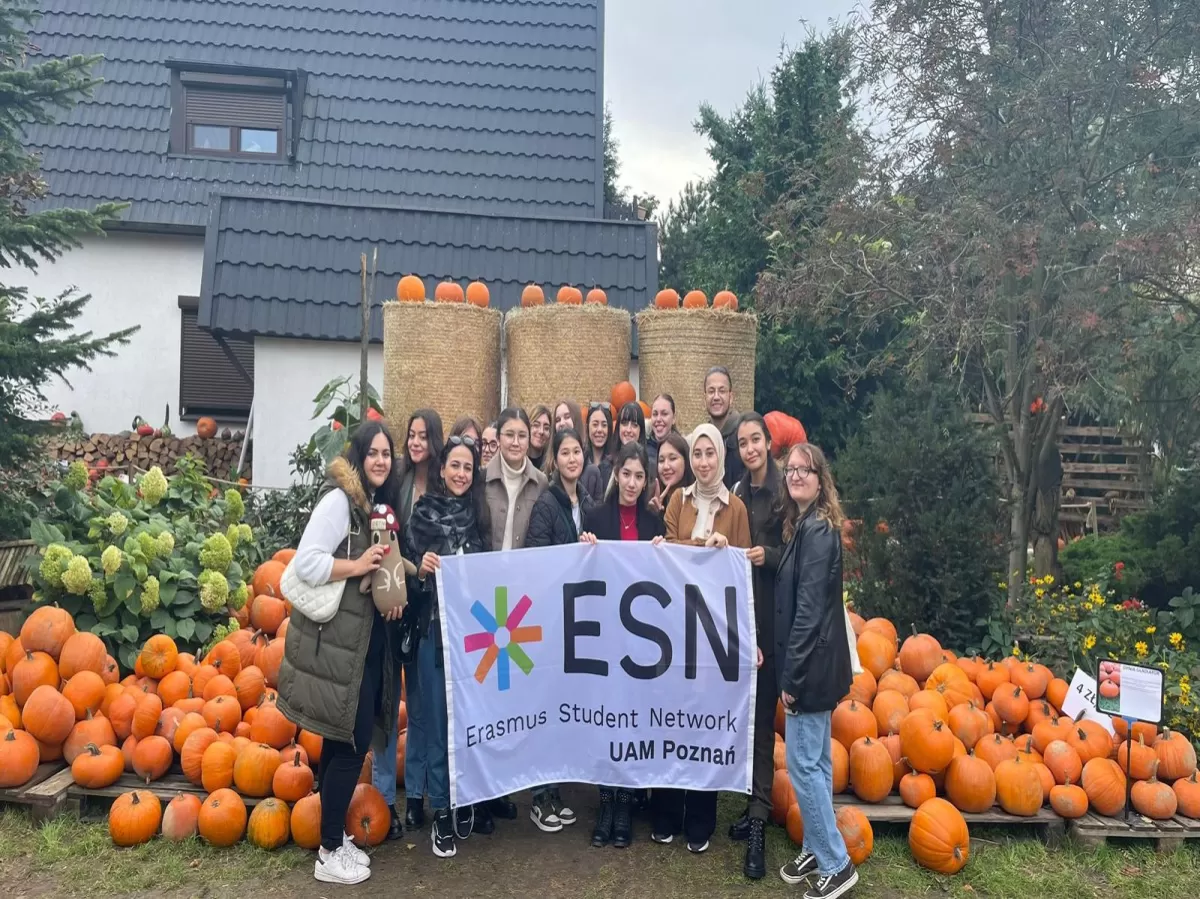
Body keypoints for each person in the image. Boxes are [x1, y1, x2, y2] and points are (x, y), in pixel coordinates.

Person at [277, 421, 404, 885]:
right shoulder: (337, 502)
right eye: (372, 452)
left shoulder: (369, 508)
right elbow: (307, 561)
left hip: (361, 643)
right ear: (357, 456)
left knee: (339, 739)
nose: (380, 460)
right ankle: (330, 851)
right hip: (338, 647)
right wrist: (358, 566)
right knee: (350, 743)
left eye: (386, 454)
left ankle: (332, 835)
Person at [652, 423, 751, 854]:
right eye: (698, 454)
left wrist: (726, 550)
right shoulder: (678, 499)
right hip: (676, 630)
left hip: (714, 635)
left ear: (721, 458)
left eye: (710, 454)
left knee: (705, 722)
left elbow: (743, 569)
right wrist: (663, 546)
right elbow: (670, 554)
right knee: (672, 718)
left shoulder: (738, 509)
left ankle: (701, 818)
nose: (704, 462)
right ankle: (668, 811)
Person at [775, 443, 857, 897]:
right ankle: (816, 843)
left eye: (805, 469)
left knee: (803, 767)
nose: (795, 475)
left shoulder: (819, 533)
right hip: (820, 664)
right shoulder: (806, 525)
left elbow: (807, 611)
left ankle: (836, 863)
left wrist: (791, 677)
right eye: (790, 470)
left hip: (810, 667)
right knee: (820, 764)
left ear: (820, 477)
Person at [406, 434, 493, 858]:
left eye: (468, 468)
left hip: (474, 639)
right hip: (434, 635)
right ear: (441, 469)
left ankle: (465, 797)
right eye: (454, 465)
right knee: (440, 724)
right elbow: (405, 581)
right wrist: (421, 572)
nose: (461, 474)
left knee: (469, 720)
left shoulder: (478, 517)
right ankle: (440, 808)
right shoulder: (421, 516)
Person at [579, 441, 664, 849]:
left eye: (639, 476)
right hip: (603, 637)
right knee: (604, 719)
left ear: (647, 481)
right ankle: (606, 802)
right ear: (617, 475)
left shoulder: (653, 522)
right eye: (626, 475)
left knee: (633, 719)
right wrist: (584, 550)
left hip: (640, 641)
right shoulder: (595, 515)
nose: (632, 483)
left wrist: (665, 556)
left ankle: (626, 803)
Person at [523, 427, 594, 833]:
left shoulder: (586, 500)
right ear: (555, 458)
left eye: (577, 452)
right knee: (544, 705)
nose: (572, 458)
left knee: (561, 708)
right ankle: (539, 796)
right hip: (549, 615)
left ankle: (555, 792)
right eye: (565, 452)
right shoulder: (546, 502)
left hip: (576, 617)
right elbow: (537, 557)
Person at [481, 407, 547, 821]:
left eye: (523, 435)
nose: (517, 442)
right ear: (499, 437)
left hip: (521, 603)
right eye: (509, 434)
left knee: (514, 699)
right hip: (485, 601)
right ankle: (484, 792)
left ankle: (506, 788)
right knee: (486, 697)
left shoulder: (541, 485)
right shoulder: (479, 480)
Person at [379, 409, 443, 835]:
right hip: (391, 602)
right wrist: (397, 587)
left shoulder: (442, 485)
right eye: (411, 435)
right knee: (388, 705)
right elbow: (383, 542)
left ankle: (417, 794)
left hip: (426, 610)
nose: (416, 442)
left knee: (421, 710)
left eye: (423, 435)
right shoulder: (394, 481)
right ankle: (384, 800)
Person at [729, 413, 785, 879]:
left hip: (774, 622)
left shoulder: (786, 492)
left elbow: (804, 553)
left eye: (755, 441)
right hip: (742, 620)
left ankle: (759, 820)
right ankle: (752, 803)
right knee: (747, 720)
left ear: (768, 443)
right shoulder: (737, 494)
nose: (749, 449)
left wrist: (771, 556)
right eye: (743, 443)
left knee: (764, 721)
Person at [552, 398, 604, 499]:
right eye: (557, 420)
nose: (562, 423)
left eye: (567, 417)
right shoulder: (546, 469)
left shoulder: (592, 473)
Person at [704, 366, 745, 488]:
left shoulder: (742, 436)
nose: (716, 397)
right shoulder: (702, 439)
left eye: (722, 391)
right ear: (704, 398)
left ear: (731, 397)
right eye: (711, 391)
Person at [649, 430, 693, 517]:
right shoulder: (650, 497)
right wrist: (654, 514)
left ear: (686, 460)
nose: (666, 466)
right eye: (661, 460)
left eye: (672, 458)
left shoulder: (697, 500)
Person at [583, 402, 614, 502]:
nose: (599, 430)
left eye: (604, 425)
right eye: (595, 424)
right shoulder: (580, 462)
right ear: (588, 427)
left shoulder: (615, 465)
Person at [647, 393, 677, 473]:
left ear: (674, 418)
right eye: (655, 414)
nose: (658, 419)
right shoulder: (643, 451)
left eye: (664, 414)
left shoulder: (682, 450)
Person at [527, 404, 553, 471]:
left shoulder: (552, 466)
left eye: (546, 428)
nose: (541, 431)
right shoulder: (517, 461)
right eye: (536, 425)